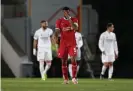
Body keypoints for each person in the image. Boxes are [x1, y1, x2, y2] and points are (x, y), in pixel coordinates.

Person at [53, 6, 78, 84]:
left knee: (73, 59)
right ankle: (66, 79)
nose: (66, 13)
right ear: (63, 12)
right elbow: (57, 30)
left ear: (69, 11)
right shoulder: (59, 21)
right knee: (63, 61)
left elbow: (75, 28)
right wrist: (55, 36)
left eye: (67, 11)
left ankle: (74, 78)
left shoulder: (74, 19)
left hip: (72, 43)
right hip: (63, 43)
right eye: (64, 11)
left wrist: (69, 19)